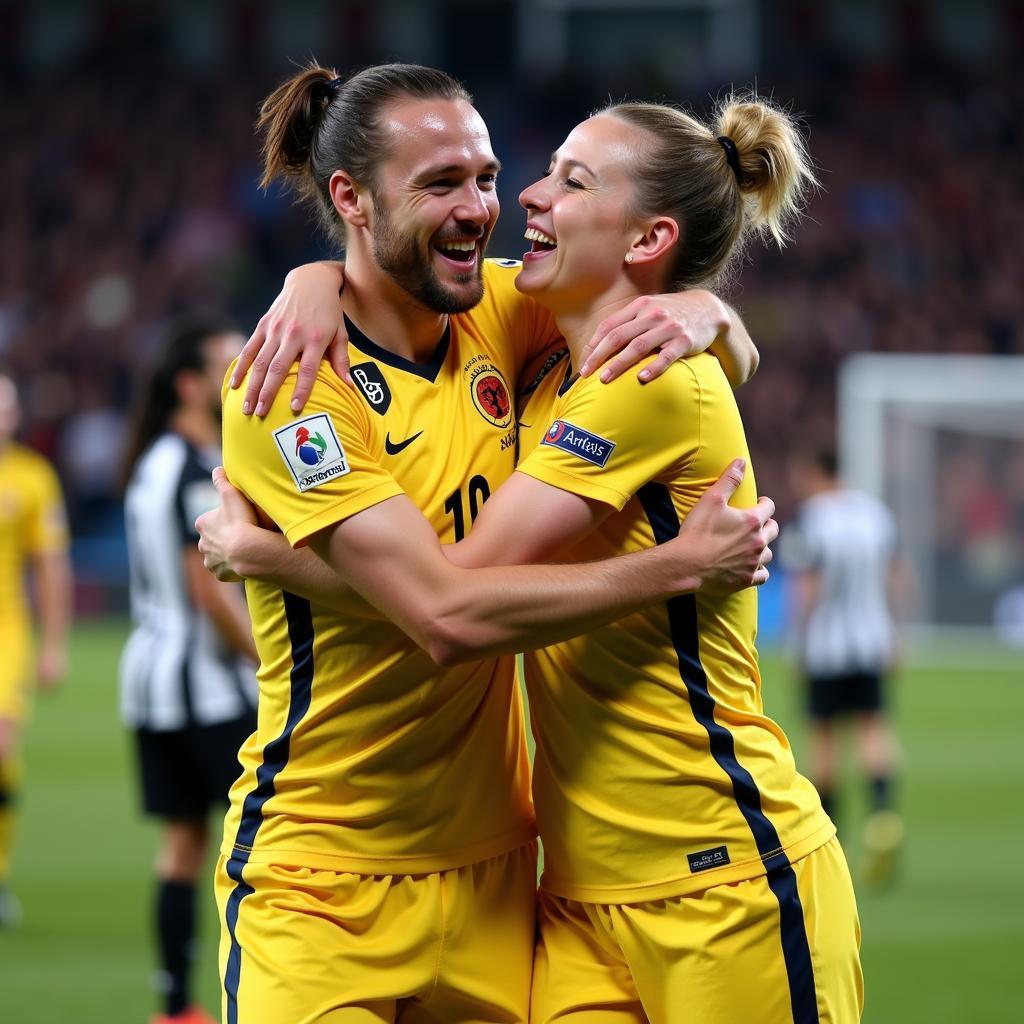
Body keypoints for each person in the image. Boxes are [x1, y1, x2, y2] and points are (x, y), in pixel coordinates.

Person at [208, 89, 863, 1023]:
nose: (499, 204)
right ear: (352, 197)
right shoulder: (300, 378)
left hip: (603, 875)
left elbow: (450, 601)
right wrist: (309, 279)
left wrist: (709, 311)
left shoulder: (528, 326)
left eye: (493, 176)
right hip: (333, 873)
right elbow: (442, 607)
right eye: (443, 182)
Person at [119, 318, 259, 1024]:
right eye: (225, 363)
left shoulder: (153, 462)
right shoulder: (193, 463)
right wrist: (268, 658)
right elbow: (206, 583)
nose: (239, 370)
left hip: (150, 683)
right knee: (273, 834)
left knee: (183, 844)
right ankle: (266, 993)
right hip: (202, 687)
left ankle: (175, 1007)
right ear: (189, 383)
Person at [785, 445, 907, 886]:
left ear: (814, 470)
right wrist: (895, 631)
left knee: (824, 740)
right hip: (872, 640)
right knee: (875, 729)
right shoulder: (875, 514)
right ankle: (883, 818)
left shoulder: (812, 519)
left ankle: (835, 838)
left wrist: (798, 642)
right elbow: (898, 576)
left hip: (827, 647)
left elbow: (808, 585)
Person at [0, 372, 72, 929]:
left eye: (9, 407)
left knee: (1, 750)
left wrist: (53, 644)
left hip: (7, 630)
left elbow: (51, 569)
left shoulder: (31, 477)